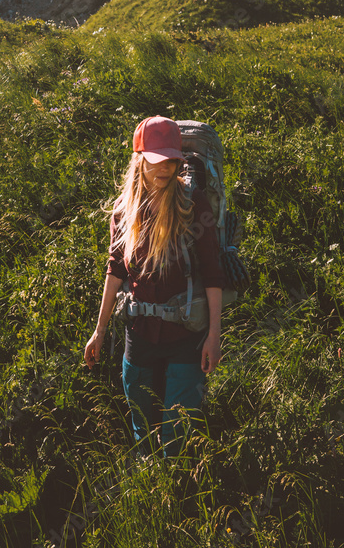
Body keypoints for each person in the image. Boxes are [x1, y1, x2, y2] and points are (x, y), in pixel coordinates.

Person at [84, 114, 226, 460]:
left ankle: (176, 490)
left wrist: (213, 336)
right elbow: (115, 270)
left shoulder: (193, 205)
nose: (166, 168)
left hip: (186, 337)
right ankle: (150, 486)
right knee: (142, 430)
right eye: (158, 160)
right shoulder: (124, 211)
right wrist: (99, 331)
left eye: (173, 160)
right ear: (139, 159)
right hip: (139, 335)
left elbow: (213, 273)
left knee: (176, 436)